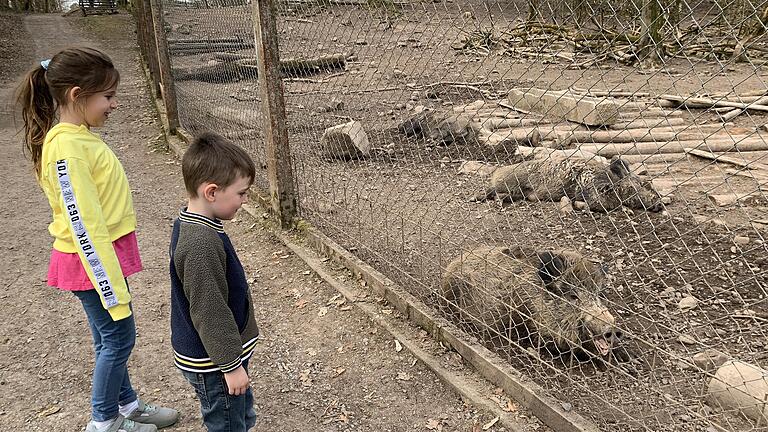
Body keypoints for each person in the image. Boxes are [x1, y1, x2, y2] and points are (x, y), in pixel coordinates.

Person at [16, 47, 179, 432]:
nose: (114, 104)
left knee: (110, 338)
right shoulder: (68, 149)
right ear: (77, 95)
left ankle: (127, 406)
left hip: (100, 259)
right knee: (119, 338)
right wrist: (111, 284)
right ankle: (104, 422)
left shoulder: (78, 136)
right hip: (91, 262)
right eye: (107, 96)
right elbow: (83, 223)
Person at [170, 131, 259, 431]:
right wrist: (231, 366)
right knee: (227, 423)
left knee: (240, 416)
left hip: (218, 357)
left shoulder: (196, 221)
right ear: (211, 192)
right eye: (241, 193)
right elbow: (210, 310)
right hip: (215, 363)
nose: (245, 200)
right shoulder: (200, 244)